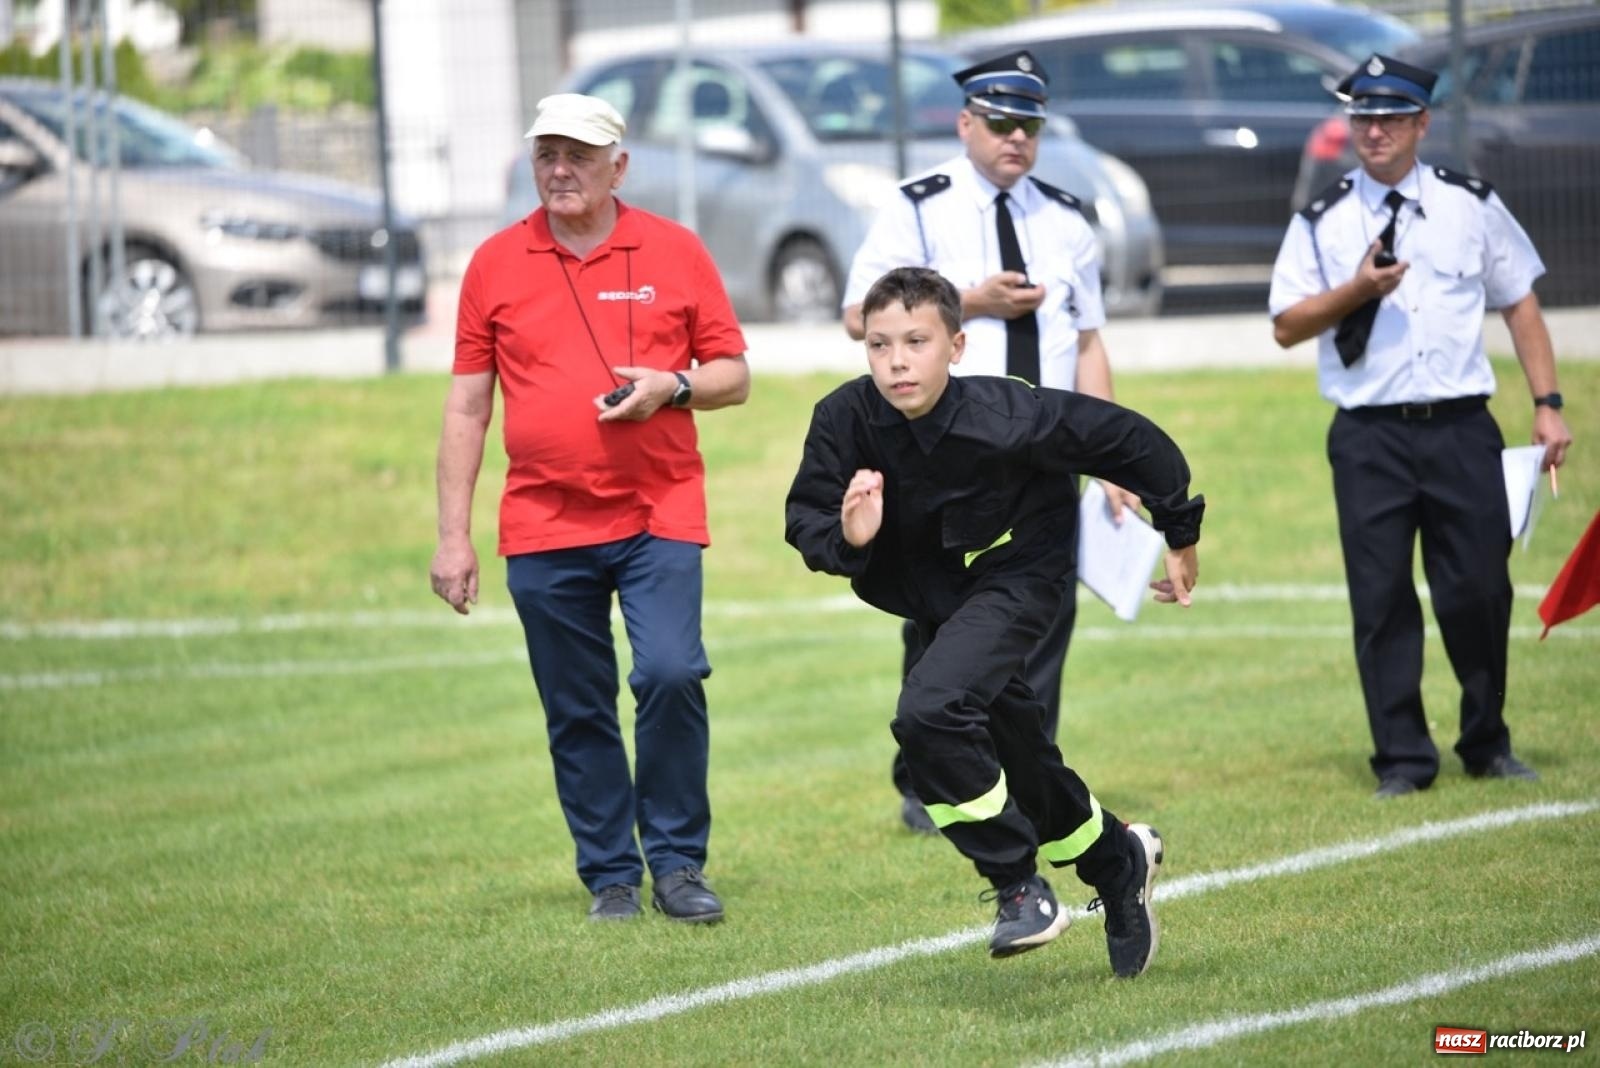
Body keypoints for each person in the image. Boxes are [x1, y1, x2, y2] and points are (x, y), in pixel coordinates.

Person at [786, 266, 1205, 976]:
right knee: (1021, 757)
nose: (896, 361)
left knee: (929, 713)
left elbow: (1129, 440)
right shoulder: (843, 419)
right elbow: (805, 518)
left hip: (1021, 579)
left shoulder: (1010, 416)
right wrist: (851, 536)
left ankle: (1018, 885)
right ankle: (1118, 862)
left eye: (916, 341)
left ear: (956, 346)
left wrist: (1180, 533)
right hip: (936, 602)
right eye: (880, 344)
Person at [430, 93, 751, 922]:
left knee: (673, 673)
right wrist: (452, 538)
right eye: (548, 154)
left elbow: (733, 375)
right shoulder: (494, 264)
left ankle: (677, 863)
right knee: (577, 707)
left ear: (620, 166)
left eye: (579, 155)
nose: (561, 170)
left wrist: (671, 387)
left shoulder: (676, 251)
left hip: (659, 511)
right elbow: (468, 408)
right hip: (542, 523)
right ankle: (611, 874)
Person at [840, 49, 1140, 834]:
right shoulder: (917, 208)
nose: (1017, 139)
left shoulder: (1067, 217)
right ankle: (926, 777)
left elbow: (1089, 342)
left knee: (1040, 617)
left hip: (1043, 450)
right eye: (1002, 123)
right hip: (944, 449)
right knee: (939, 609)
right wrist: (967, 302)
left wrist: (1108, 453)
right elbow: (855, 316)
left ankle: (1030, 775)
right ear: (966, 123)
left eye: (1030, 125)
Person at [1269, 55, 1572, 800]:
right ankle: (1402, 758)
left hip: (1462, 427)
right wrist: (1356, 290)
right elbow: (1284, 325)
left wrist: (1548, 401)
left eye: (1392, 118)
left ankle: (1487, 740)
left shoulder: (1471, 204)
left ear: (1421, 124)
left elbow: (1520, 302)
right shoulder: (1323, 218)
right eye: (1364, 117)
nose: (1375, 130)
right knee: (1380, 601)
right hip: (1369, 435)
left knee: (1478, 589)